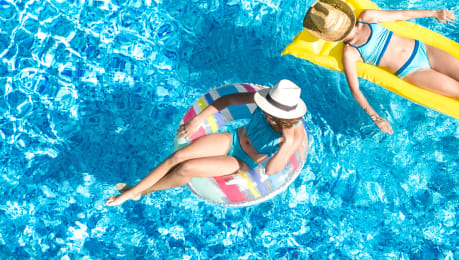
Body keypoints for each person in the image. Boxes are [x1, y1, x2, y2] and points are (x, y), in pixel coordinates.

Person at [302, 0, 459, 134]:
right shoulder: (350, 52)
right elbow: (355, 90)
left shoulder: (367, 17)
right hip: (412, 71)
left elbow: (400, 14)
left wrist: (433, 12)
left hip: (424, 50)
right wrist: (375, 117)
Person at [105, 80, 308, 206]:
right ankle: (133, 191)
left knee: (186, 167)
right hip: (233, 139)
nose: (264, 109)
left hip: (242, 161)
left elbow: (271, 170)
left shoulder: (293, 135)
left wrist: (287, 143)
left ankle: (140, 191)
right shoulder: (266, 99)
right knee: (178, 156)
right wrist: (198, 120)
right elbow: (227, 100)